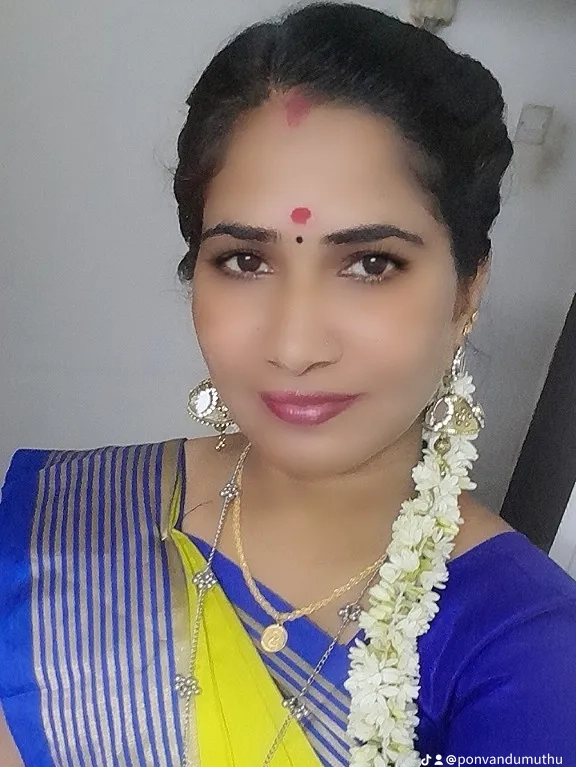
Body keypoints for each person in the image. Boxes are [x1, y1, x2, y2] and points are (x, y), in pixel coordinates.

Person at [1, 2, 576, 765]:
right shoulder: (65, 522)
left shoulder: (529, 652)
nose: (295, 345)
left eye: (370, 263)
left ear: (468, 289)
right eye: (245, 260)